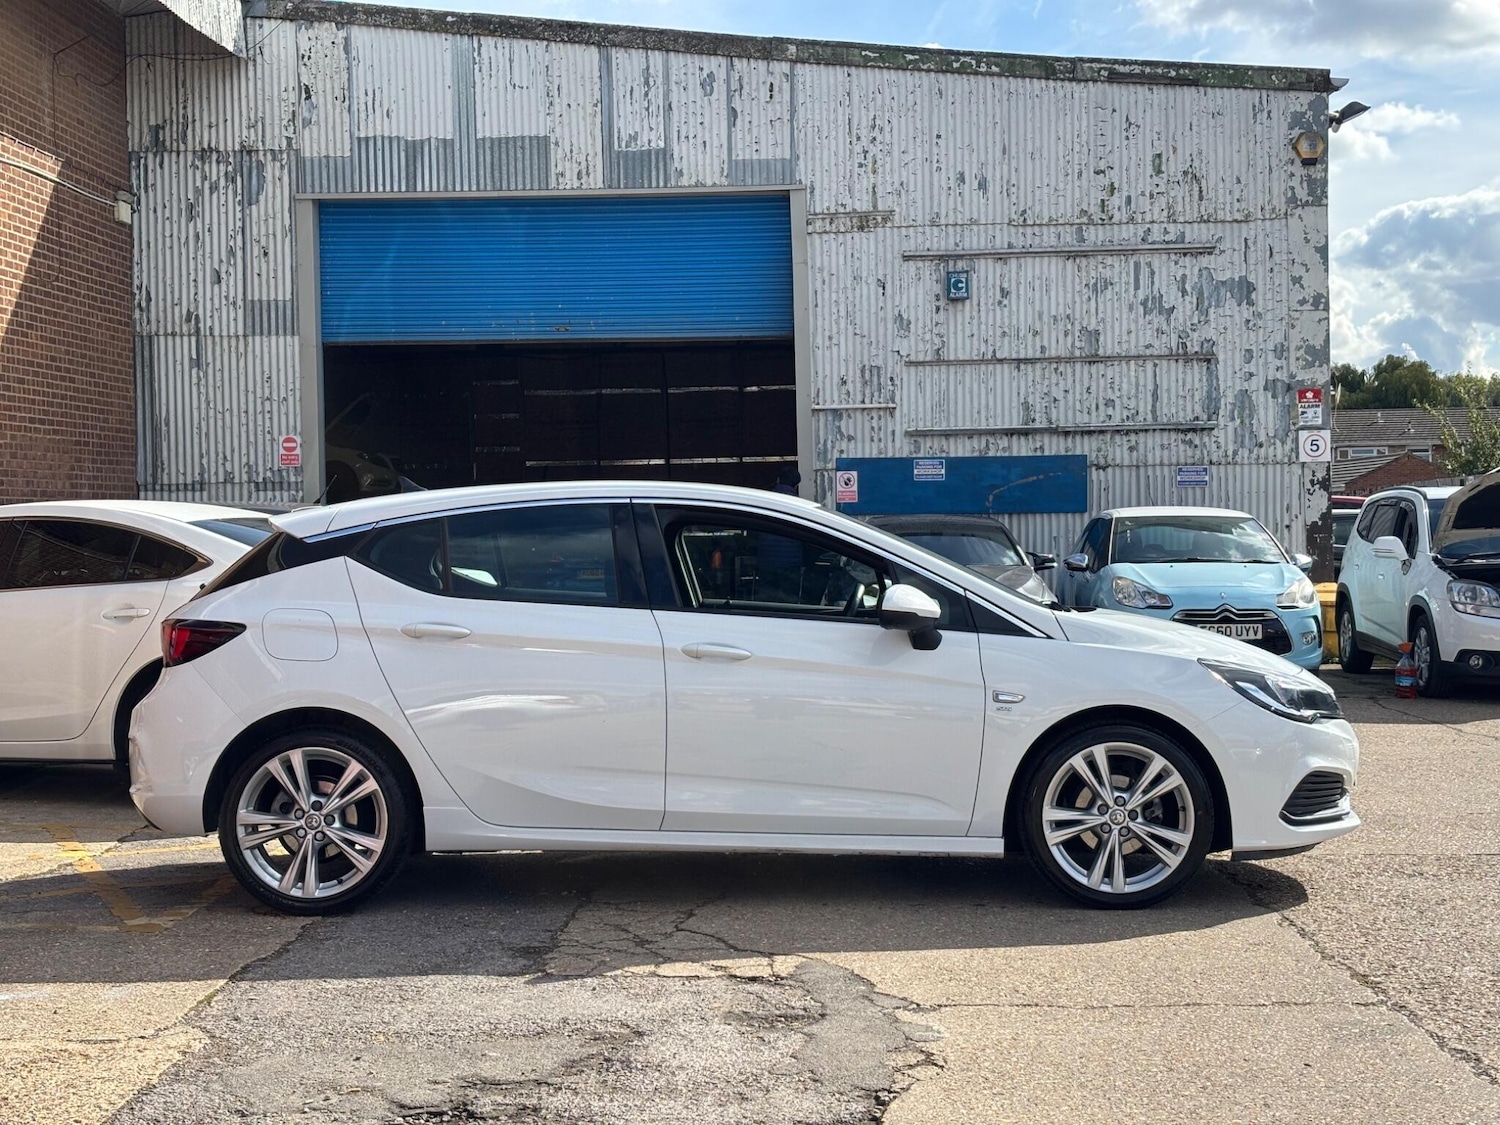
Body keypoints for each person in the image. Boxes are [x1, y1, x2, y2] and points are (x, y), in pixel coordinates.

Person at [757, 465, 804, 602]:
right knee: (788, 603)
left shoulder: (765, 502)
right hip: (790, 564)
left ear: (778, 480)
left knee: (768, 602)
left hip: (767, 561)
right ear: (796, 485)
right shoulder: (800, 506)